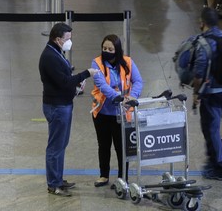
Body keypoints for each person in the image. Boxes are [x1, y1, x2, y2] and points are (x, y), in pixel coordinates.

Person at [39, 22, 100, 197]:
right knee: (55, 146)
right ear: (58, 39)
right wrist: (85, 74)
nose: (69, 42)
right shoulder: (49, 57)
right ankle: (53, 184)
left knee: (61, 144)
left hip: (62, 103)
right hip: (57, 107)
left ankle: (58, 179)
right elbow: (64, 81)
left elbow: (63, 79)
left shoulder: (56, 52)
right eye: (67, 39)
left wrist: (75, 87)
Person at [90, 34, 144, 187]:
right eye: (104, 48)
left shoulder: (128, 62)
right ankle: (103, 175)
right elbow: (102, 85)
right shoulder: (97, 63)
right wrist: (119, 97)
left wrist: (132, 96)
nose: (106, 51)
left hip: (121, 113)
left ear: (117, 50)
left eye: (110, 49)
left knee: (121, 148)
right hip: (101, 112)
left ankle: (123, 178)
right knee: (104, 145)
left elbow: (138, 81)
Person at [189, 7, 222, 181]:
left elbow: (199, 73)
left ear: (202, 23)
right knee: (212, 127)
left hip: (211, 93)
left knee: (211, 129)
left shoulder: (204, 42)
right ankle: (213, 161)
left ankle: (219, 168)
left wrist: (196, 93)